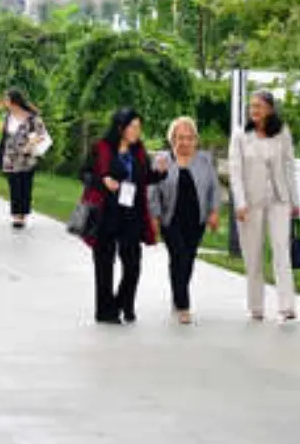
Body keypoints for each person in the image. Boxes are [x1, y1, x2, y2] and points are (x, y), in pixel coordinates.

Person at [83, 108, 163, 325]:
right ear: (121, 128)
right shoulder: (100, 148)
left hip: (131, 214)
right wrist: (103, 181)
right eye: (133, 127)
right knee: (104, 265)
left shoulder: (138, 151)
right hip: (105, 213)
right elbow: (86, 174)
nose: (137, 131)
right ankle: (105, 311)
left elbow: (144, 177)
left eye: (139, 127)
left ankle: (122, 303)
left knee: (133, 265)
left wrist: (160, 173)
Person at [228, 90, 300, 322]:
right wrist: (240, 203)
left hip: (279, 199)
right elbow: (235, 173)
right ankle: (256, 305)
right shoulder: (241, 136)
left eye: (258, 106)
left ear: (270, 109)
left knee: (282, 250)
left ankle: (286, 305)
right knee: (254, 254)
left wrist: (295, 201)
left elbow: (289, 167)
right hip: (251, 202)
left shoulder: (282, 133)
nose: (254, 111)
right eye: (252, 107)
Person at [150, 117, 221, 325]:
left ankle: (177, 295)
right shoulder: (162, 160)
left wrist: (214, 212)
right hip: (170, 219)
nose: (185, 142)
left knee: (186, 260)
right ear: (172, 139)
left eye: (189, 138)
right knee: (179, 255)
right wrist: (154, 216)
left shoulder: (204, 160)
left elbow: (213, 188)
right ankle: (183, 306)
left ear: (195, 140)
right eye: (180, 138)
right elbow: (152, 190)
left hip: (195, 220)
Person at [0, 89, 51, 229]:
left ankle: (23, 214)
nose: (5, 103)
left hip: (27, 157)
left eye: (7, 100)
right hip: (10, 157)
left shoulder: (32, 118)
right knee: (14, 186)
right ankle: (16, 216)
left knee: (25, 186)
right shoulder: (8, 117)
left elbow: (42, 134)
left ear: (15, 101)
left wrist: (30, 144)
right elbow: (4, 135)